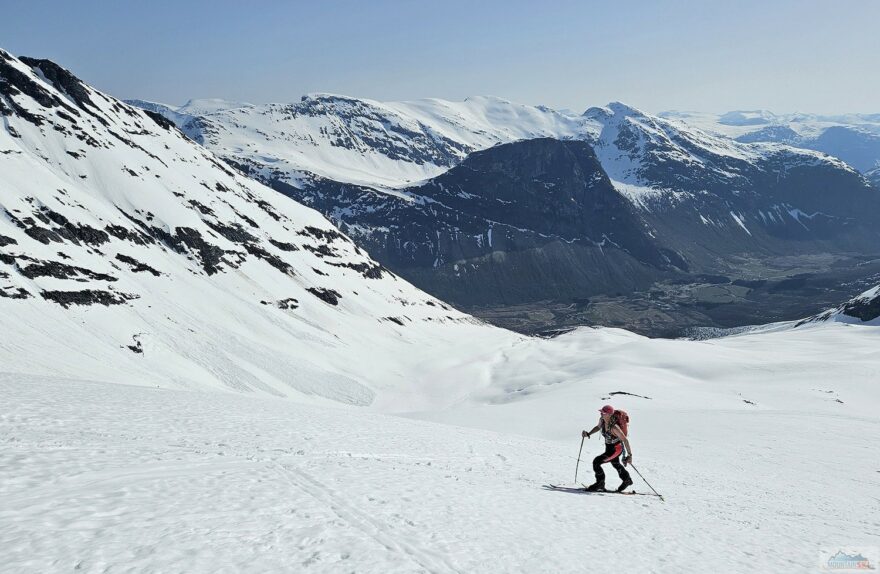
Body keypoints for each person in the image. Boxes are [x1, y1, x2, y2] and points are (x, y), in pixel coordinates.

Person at [582, 405, 633, 492]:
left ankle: (600, 483)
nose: (601, 414)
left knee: (597, 462)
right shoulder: (602, 420)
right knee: (615, 463)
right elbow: (598, 427)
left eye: (603, 412)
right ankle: (627, 480)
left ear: (609, 414)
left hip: (616, 449)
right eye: (601, 412)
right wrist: (589, 433)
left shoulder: (614, 427)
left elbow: (625, 440)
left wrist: (630, 455)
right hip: (609, 448)